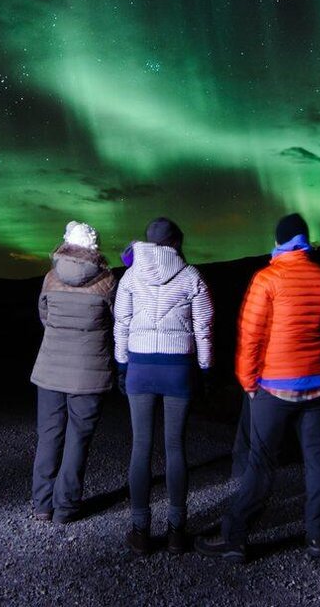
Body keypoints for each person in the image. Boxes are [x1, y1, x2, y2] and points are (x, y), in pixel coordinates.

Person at [197, 213, 320, 563]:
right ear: (305, 241)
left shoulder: (267, 279)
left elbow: (251, 337)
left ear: (279, 241)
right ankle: (319, 538)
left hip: (275, 387)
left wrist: (249, 383)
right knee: (318, 460)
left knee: (261, 464)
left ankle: (234, 538)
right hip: (318, 387)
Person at [114, 217, 214, 555]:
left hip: (140, 366)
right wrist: (204, 366)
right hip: (177, 369)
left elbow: (122, 323)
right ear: (177, 240)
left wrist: (122, 364)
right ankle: (176, 531)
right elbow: (204, 325)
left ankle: (140, 531)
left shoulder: (130, 275)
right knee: (175, 447)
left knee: (140, 447)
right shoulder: (191, 276)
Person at [29, 220, 118, 524]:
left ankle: (41, 504)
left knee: (49, 435)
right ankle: (65, 507)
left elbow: (45, 316)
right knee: (78, 438)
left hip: (50, 370)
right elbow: (113, 320)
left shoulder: (51, 279)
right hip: (89, 373)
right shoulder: (107, 281)